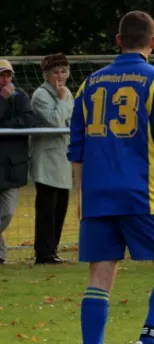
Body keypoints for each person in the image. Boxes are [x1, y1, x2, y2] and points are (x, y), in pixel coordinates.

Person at [67, 11, 154, 344]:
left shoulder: (88, 84)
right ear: (153, 42)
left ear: (118, 40)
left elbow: (77, 146)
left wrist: (80, 194)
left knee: (100, 276)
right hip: (141, 192)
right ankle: (149, 342)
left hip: (98, 193)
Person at [30, 53, 74, 265]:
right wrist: (63, 99)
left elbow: (72, 122)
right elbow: (56, 122)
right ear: (47, 74)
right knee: (47, 208)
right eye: (55, 72)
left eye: (63, 71)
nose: (60, 75)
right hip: (47, 160)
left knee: (60, 207)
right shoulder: (41, 95)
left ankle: (52, 250)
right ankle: (44, 252)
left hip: (64, 157)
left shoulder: (66, 93)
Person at [0, 59, 37, 265]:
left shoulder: (21, 96)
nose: (5, 79)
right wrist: (3, 101)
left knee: (7, 212)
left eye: (8, 75)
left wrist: (6, 127)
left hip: (13, 165)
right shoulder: (6, 98)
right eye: (1, 75)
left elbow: (29, 120)